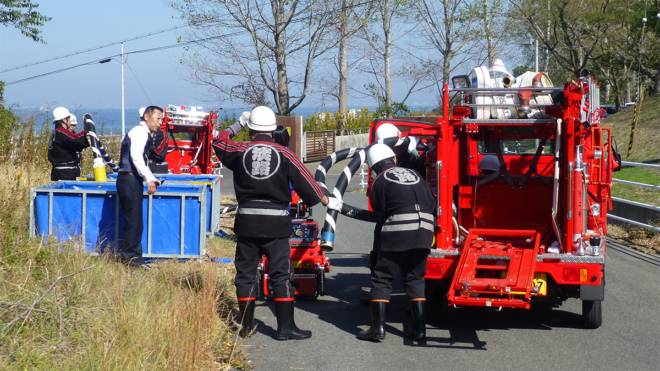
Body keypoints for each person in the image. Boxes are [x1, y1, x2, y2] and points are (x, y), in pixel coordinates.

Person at [212, 107, 339, 340]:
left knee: (246, 274)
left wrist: (237, 124)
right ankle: (285, 327)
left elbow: (219, 140)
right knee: (281, 274)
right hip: (276, 224)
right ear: (273, 129)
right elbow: (309, 184)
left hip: (247, 222)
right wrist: (327, 199)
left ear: (251, 129)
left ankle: (247, 326)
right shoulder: (285, 154)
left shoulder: (239, 149)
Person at [357, 143, 435, 342]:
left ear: (374, 167)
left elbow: (380, 212)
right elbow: (432, 204)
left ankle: (377, 330)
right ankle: (419, 330)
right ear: (393, 159)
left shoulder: (379, 181)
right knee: (415, 278)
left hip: (399, 229)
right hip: (425, 229)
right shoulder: (415, 175)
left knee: (382, 277)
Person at [116, 106, 163, 267]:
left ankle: (133, 256)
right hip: (128, 179)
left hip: (132, 179)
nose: (160, 122)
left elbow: (141, 159)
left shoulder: (144, 132)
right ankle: (131, 259)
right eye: (158, 118)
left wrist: (151, 177)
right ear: (146, 117)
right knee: (133, 222)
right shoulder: (139, 131)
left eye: (161, 119)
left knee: (136, 221)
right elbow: (136, 156)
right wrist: (149, 179)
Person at [48, 107, 90, 181]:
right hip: (65, 173)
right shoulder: (61, 132)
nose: (70, 122)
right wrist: (85, 129)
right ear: (64, 120)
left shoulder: (57, 132)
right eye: (69, 119)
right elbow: (75, 140)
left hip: (60, 172)